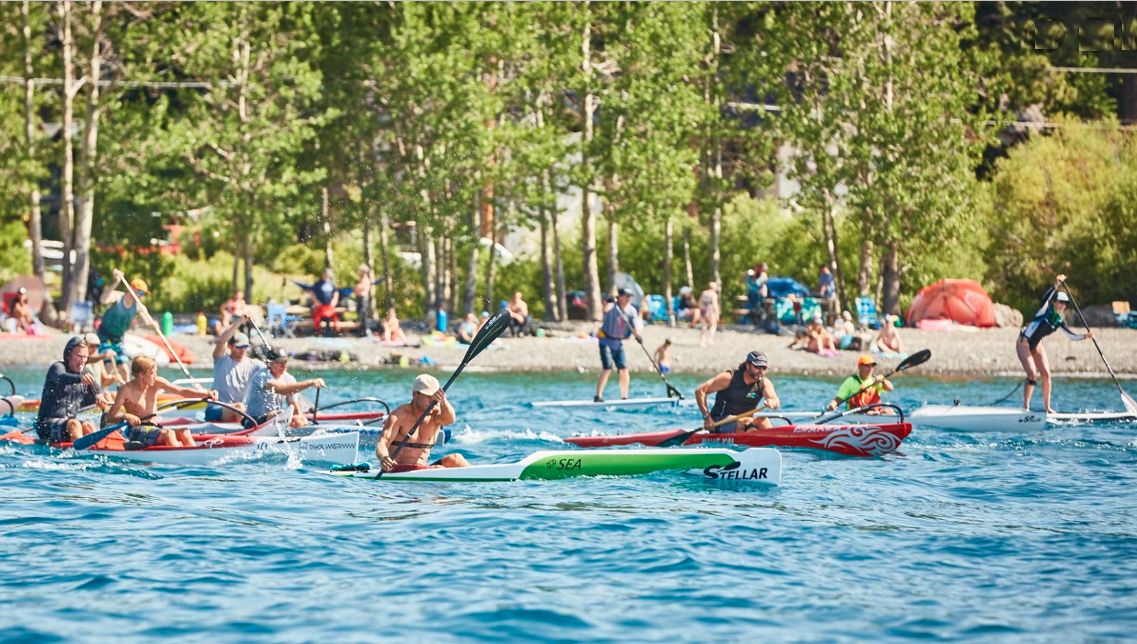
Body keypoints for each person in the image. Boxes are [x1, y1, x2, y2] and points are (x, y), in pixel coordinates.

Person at [1017, 274, 1093, 413]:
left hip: (1037, 345)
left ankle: (1048, 408)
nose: (1063, 305)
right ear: (1054, 302)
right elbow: (1045, 298)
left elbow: (1071, 336)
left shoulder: (1058, 321)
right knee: (1032, 374)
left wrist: (1085, 336)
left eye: (1065, 303)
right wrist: (1056, 284)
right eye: (1061, 302)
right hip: (1024, 344)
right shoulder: (1044, 310)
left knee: (1046, 374)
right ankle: (1026, 408)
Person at [104, 355, 217, 448]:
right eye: (153, 373)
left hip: (155, 428)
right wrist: (125, 416)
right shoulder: (126, 390)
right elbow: (110, 417)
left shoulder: (156, 383)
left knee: (184, 432)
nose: (156, 376)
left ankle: (194, 462)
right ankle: (180, 462)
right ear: (141, 375)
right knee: (169, 433)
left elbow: (182, 391)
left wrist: (206, 394)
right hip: (136, 431)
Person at [375, 374, 468, 472]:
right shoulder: (399, 415)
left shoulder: (436, 415)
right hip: (397, 469)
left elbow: (451, 420)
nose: (433, 400)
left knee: (457, 459)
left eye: (435, 396)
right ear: (415, 395)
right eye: (428, 396)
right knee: (439, 469)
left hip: (421, 469)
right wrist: (383, 457)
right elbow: (382, 443)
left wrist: (443, 401)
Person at [35, 336, 113, 443]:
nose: (82, 361)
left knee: (88, 425)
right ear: (68, 355)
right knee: (74, 424)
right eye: (79, 356)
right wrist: (79, 378)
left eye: (85, 357)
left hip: (68, 425)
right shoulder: (57, 368)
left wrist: (100, 396)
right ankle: (78, 456)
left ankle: (95, 452)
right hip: (46, 426)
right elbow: (61, 377)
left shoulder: (86, 372)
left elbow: (97, 389)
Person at [694, 351, 781, 433]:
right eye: (757, 367)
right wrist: (707, 418)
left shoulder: (764, 383)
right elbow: (700, 391)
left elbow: (774, 399)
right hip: (718, 422)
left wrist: (772, 402)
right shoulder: (728, 378)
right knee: (739, 423)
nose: (761, 371)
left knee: (763, 421)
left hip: (746, 421)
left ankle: (774, 442)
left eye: (764, 368)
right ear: (748, 365)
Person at [243, 348, 326, 428]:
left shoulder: (289, 378)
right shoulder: (262, 376)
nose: (283, 366)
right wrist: (310, 383)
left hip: (275, 419)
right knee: (277, 414)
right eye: (280, 362)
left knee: (299, 419)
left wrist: (301, 420)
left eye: (285, 362)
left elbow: (294, 408)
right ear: (269, 363)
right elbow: (283, 390)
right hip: (253, 422)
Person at [97, 269, 156, 382]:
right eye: (140, 293)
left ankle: (124, 395)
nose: (141, 296)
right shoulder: (117, 297)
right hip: (104, 336)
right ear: (131, 289)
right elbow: (103, 299)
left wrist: (153, 324)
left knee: (125, 370)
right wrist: (115, 282)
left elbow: (148, 322)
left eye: (143, 294)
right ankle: (102, 393)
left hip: (118, 339)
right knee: (109, 366)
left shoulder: (139, 306)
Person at [207, 317, 262, 422]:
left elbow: (274, 369)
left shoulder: (254, 364)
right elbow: (222, 340)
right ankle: (246, 430)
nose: (242, 350)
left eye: (245, 346)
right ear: (230, 346)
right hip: (215, 409)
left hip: (239, 410)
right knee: (240, 407)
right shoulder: (221, 360)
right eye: (239, 347)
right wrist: (239, 321)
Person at [594, 289, 642, 403]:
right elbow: (605, 308)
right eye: (626, 296)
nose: (628, 298)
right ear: (620, 297)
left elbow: (636, 325)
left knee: (624, 369)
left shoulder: (631, 311)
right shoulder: (612, 306)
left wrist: (638, 335)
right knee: (607, 367)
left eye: (630, 296)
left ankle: (624, 396)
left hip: (618, 342)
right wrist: (608, 300)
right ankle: (598, 395)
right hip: (605, 341)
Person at [825, 354, 895, 414]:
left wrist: (883, 381)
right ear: (860, 367)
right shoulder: (851, 381)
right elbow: (838, 399)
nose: (870, 368)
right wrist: (832, 405)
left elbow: (891, 388)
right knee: (870, 413)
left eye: (872, 366)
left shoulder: (876, 380)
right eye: (867, 366)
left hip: (874, 412)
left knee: (889, 411)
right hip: (855, 413)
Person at [311, 268, 340, 335]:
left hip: (329, 306)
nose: (327, 275)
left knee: (334, 319)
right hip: (321, 306)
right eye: (326, 274)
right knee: (317, 319)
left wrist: (334, 300)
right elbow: (312, 293)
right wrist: (316, 301)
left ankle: (334, 332)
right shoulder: (318, 283)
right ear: (323, 274)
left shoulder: (332, 283)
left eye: (328, 274)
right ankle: (317, 332)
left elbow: (336, 292)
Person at [353, 264, 376, 337]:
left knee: (363, 315)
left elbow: (360, 288)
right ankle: (362, 331)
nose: (359, 273)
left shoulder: (365, 279)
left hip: (363, 298)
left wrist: (357, 288)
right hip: (360, 298)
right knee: (361, 315)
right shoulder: (362, 279)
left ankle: (364, 331)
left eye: (361, 271)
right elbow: (357, 289)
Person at [698, 281, 720, 347]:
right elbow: (714, 304)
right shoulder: (713, 294)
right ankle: (709, 340)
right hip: (710, 310)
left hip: (703, 310)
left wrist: (701, 309)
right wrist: (717, 314)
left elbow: (699, 302)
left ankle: (702, 342)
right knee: (713, 325)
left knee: (703, 326)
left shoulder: (704, 292)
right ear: (714, 287)